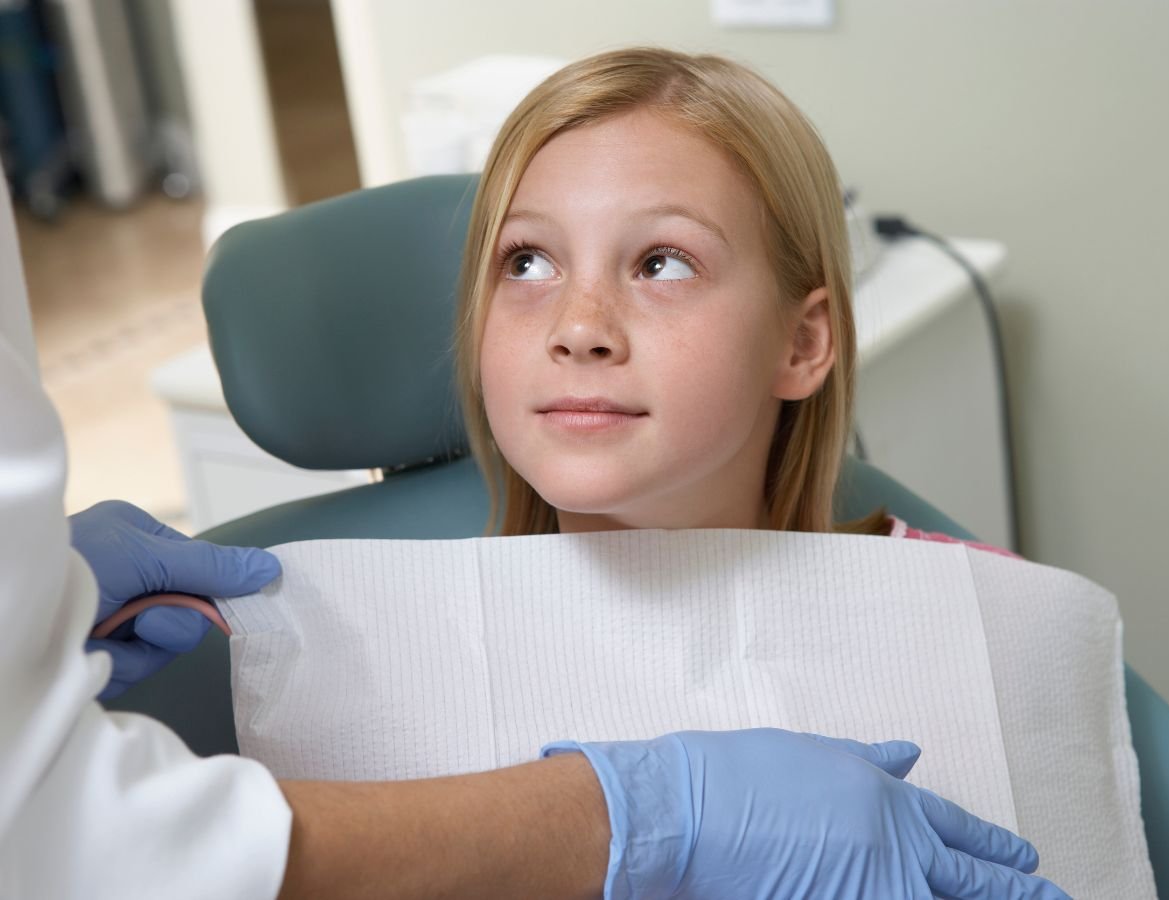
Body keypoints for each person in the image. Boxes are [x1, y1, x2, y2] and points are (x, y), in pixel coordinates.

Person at [0, 49, 1065, 900]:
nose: (580, 326)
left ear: (803, 342)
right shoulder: (364, 685)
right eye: (527, 263)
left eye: (662, 263)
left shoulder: (963, 621)